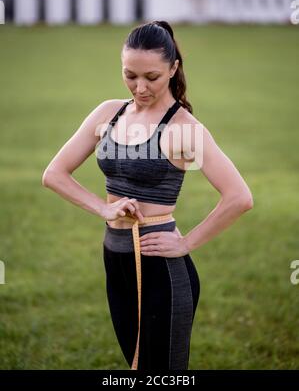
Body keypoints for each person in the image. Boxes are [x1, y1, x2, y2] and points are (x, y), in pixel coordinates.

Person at [42, 20, 253, 371]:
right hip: (116, 259)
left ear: (173, 69)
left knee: (162, 374)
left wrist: (186, 243)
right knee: (137, 368)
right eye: (130, 75)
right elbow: (54, 174)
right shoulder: (109, 113)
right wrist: (103, 209)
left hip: (161, 268)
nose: (139, 87)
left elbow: (239, 197)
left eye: (151, 77)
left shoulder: (183, 128)